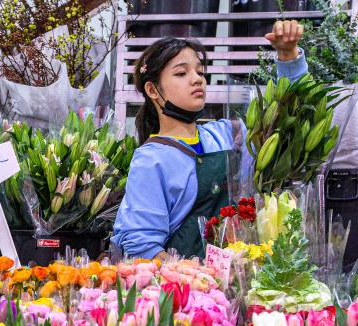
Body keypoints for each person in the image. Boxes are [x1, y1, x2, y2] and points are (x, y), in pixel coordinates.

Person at [112, 21, 309, 260]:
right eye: (182, 73)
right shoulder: (151, 160)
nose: (197, 80)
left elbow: (291, 128)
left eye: (200, 72)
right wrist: (196, 281)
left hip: (242, 279)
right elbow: (143, 248)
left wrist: (289, 58)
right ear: (153, 90)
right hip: (190, 291)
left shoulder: (228, 135)